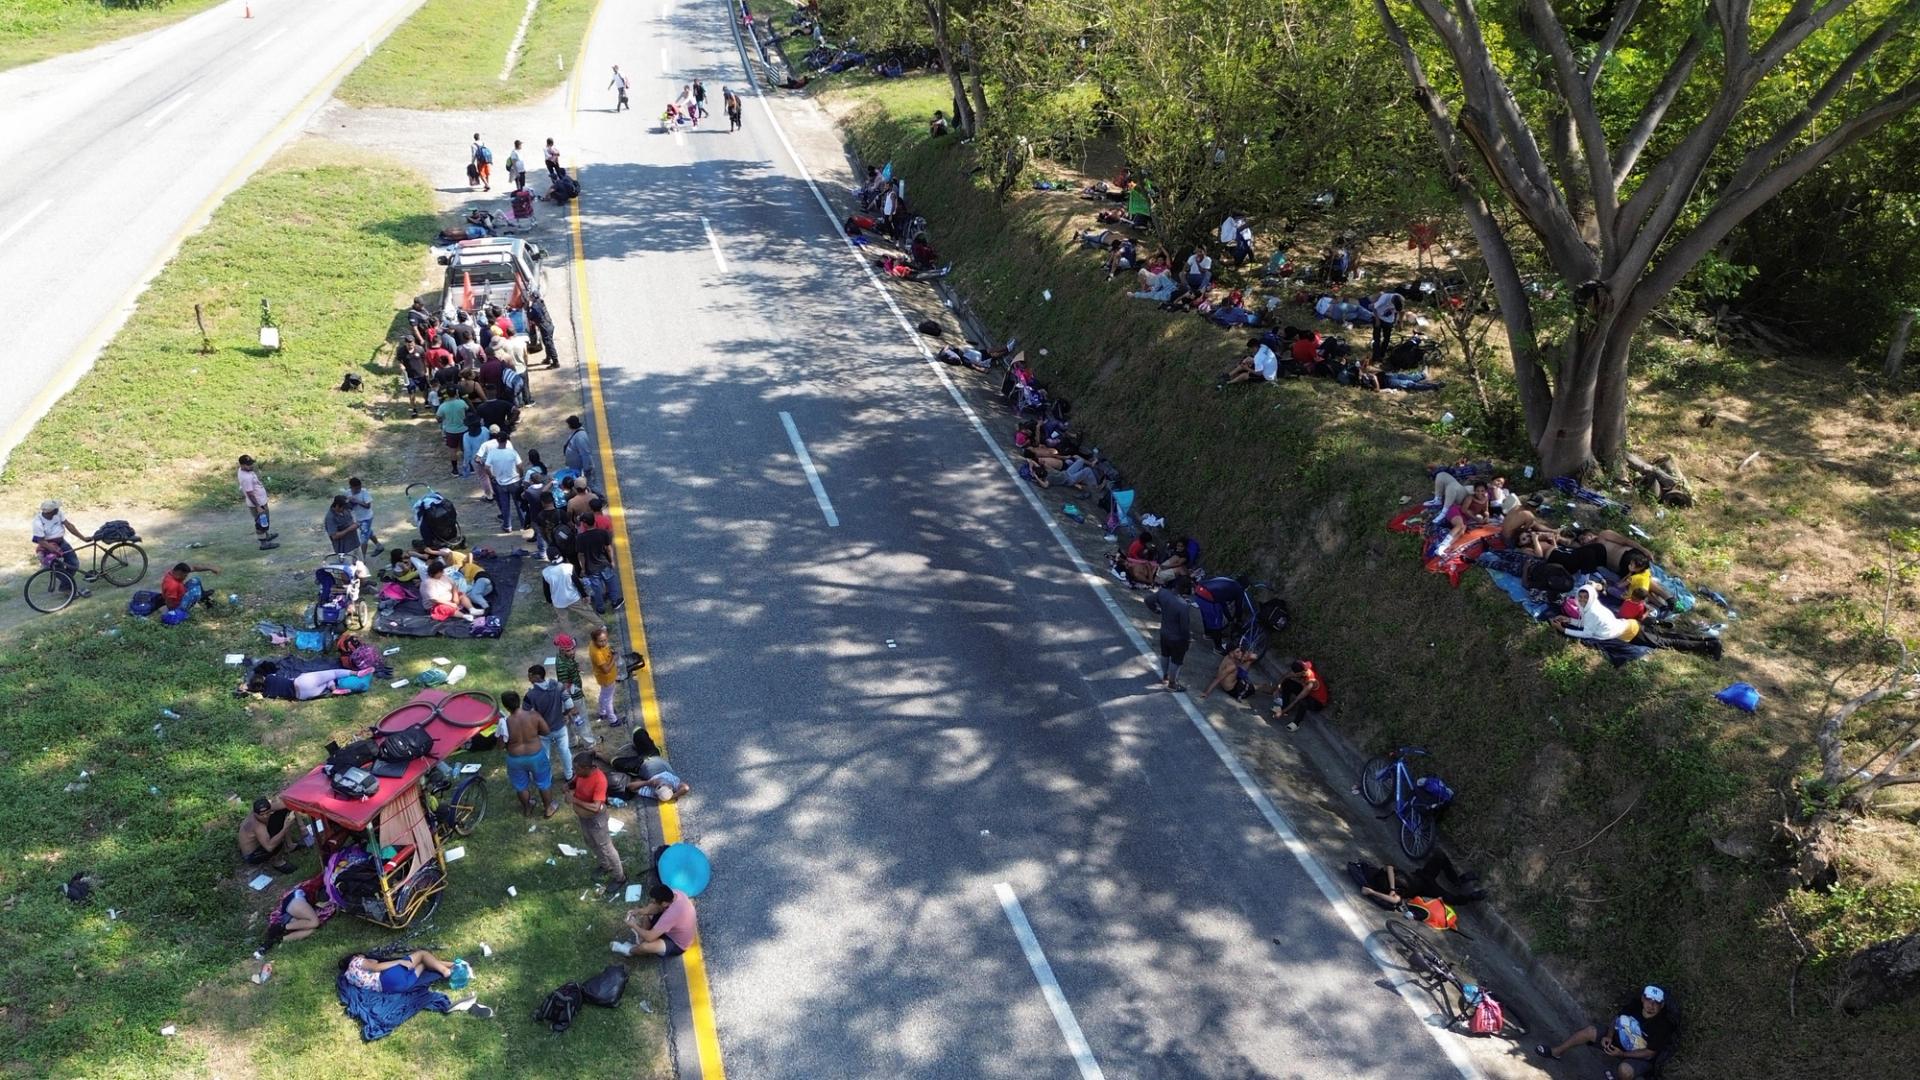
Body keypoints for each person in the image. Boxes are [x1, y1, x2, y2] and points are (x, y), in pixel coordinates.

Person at [1536, 985, 1679, 1079]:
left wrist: (1622, 1054)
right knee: (1590, 1031)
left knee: (1625, 1070)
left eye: (1656, 1003)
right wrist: (1609, 1036)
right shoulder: (1634, 1005)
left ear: (1662, 1005)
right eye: (1648, 1000)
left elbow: (1650, 1053)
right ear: (1643, 998)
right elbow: (1617, 1019)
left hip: (1638, 1057)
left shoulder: (1663, 1025)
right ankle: (1556, 1052)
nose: (1651, 1006)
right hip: (1616, 1042)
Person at [1553, 584, 1722, 659]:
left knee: (1667, 642)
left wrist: (1564, 630)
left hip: (1632, 632)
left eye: (1585, 597)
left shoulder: (1594, 612)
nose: (1582, 600)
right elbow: (1586, 624)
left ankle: (1708, 645)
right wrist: (1569, 619)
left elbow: (1587, 632)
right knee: (1666, 636)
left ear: (1591, 597)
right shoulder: (1590, 608)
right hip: (1631, 627)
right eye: (1580, 597)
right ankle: (1706, 640)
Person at [569, 752, 626, 890]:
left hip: (596, 820)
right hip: (584, 817)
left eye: (576, 769)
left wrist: (574, 800)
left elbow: (596, 807)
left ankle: (620, 877)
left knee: (606, 847)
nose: (574, 771)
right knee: (590, 841)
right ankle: (605, 865)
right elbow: (576, 780)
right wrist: (569, 785)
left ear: (586, 768)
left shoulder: (599, 780)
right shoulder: (582, 774)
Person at [500, 690, 558, 817]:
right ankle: (548, 808)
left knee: (520, 786)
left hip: (515, 758)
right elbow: (546, 731)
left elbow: (500, 745)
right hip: (536, 755)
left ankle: (527, 808)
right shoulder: (534, 715)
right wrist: (533, 734)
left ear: (505, 706)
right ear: (519, 701)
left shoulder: (504, 722)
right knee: (544, 782)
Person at [1144, 578, 1193, 691]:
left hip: (1164, 632)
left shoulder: (1163, 593)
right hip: (1177, 638)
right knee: (1176, 660)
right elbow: (1184, 628)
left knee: (1165, 655)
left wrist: (1157, 611)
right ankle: (1172, 684)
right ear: (1185, 590)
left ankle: (1165, 676)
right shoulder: (1183, 606)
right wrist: (1188, 640)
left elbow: (1148, 600)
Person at [30, 499, 89, 591]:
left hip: (61, 542)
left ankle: (66, 585)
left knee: (74, 564)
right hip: (47, 546)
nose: (58, 509)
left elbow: (69, 526)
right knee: (57, 569)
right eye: (56, 509)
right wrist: (53, 550)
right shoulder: (38, 522)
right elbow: (41, 541)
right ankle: (71, 588)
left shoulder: (58, 513)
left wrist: (83, 538)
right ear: (51, 511)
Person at [624, 884, 697, 957]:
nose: (652, 903)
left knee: (645, 946)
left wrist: (634, 925)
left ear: (664, 903)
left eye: (654, 902)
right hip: (675, 929)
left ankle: (628, 951)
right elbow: (653, 908)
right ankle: (641, 938)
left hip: (678, 944)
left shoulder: (670, 915)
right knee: (649, 913)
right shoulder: (675, 893)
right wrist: (640, 911)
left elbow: (649, 937)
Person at [341, 949, 457, 993]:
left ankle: (453, 965)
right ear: (355, 955)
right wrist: (399, 961)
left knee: (423, 963)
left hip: (397, 988)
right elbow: (376, 967)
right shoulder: (356, 961)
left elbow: (373, 963)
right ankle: (445, 971)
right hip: (387, 977)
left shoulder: (349, 977)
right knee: (422, 954)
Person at [476, 429, 524, 533]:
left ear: (497, 441)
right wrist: (521, 475)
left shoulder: (492, 453)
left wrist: (492, 476)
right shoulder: (512, 452)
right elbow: (520, 466)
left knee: (504, 505)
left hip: (500, 482)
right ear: (507, 441)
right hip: (514, 481)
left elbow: (487, 467)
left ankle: (507, 526)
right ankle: (524, 523)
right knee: (519, 503)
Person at [239, 796, 298, 872]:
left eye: (267, 813)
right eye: (262, 814)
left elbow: (285, 805)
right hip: (252, 855)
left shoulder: (265, 810)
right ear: (255, 813)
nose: (265, 816)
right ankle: (277, 862)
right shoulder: (257, 826)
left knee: (283, 812)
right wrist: (285, 827)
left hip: (260, 840)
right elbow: (269, 847)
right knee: (277, 841)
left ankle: (289, 846)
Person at [1268, 660, 1328, 730]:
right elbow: (1286, 676)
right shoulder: (1305, 666)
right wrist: (1278, 687)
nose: (1294, 674)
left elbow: (1296, 700)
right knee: (1287, 683)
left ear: (1302, 672)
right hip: (1308, 693)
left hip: (1317, 702)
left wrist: (1281, 713)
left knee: (1303, 702)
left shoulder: (1311, 682)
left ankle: (1296, 723)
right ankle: (1285, 707)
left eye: (1296, 674)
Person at [236, 455, 280, 550]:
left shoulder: (244, 470)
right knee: (261, 523)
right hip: (257, 504)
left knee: (265, 521)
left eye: (251, 463)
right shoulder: (246, 478)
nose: (251, 466)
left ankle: (266, 536)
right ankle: (264, 544)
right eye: (248, 465)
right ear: (242, 465)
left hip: (261, 501)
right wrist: (258, 507)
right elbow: (250, 494)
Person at [1199, 645, 1268, 701]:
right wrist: (1206, 692)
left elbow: (1249, 658)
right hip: (1235, 689)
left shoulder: (1228, 657)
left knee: (1249, 661)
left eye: (1240, 651)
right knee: (1258, 687)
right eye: (1237, 652)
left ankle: (1269, 688)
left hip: (1235, 680)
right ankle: (1272, 690)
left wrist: (1247, 656)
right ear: (1231, 653)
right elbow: (1218, 679)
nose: (1240, 653)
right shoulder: (1232, 666)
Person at [588, 626, 623, 726]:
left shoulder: (593, 645)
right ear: (594, 641)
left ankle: (602, 712)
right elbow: (606, 670)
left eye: (605, 640)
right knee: (609, 699)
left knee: (603, 695)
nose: (604, 643)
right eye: (601, 641)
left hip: (602, 678)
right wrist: (614, 658)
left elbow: (605, 650)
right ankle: (613, 719)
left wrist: (609, 653)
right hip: (607, 678)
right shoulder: (597, 653)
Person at [435, 392, 470, 477]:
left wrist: (443, 420)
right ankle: (470, 467)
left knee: (453, 450)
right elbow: (467, 409)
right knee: (465, 449)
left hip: (450, 431)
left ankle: (455, 470)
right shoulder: (461, 402)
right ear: (456, 393)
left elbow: (438, 417)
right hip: (463, 429)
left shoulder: (443, 405)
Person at [345, 478, 378, 558]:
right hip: (358, 517)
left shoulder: (364, 492)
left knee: (363, 538)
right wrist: (349, 502)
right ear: (351, 487)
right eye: (356, 488)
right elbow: (348, 506)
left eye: (359, 488)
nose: (358, 490)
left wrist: (357, 501)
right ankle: (379, 546)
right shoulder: (348, 493)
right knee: (368, 532)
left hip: (367, 517)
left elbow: (368, 506)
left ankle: (363, 557)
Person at [1371, 291, 1405, 357]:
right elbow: (1373, 307)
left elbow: (1402, 311)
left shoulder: (1401, 299)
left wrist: (1400, 323)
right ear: (1392, 301)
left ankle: (1382, 354)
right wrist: (1377, 320)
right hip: (1378, 317)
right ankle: (1376, 356)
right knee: (1377, 338)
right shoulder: (1384, 299)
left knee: (1387, 338)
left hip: (1388, 320)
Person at [563, 415, 595, 481]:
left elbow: (585, 454)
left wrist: (586, 469)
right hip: (575, 467)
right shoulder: (575, 432)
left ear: (571, 425)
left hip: (580, 469)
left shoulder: (580, 437)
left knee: (584, 484)